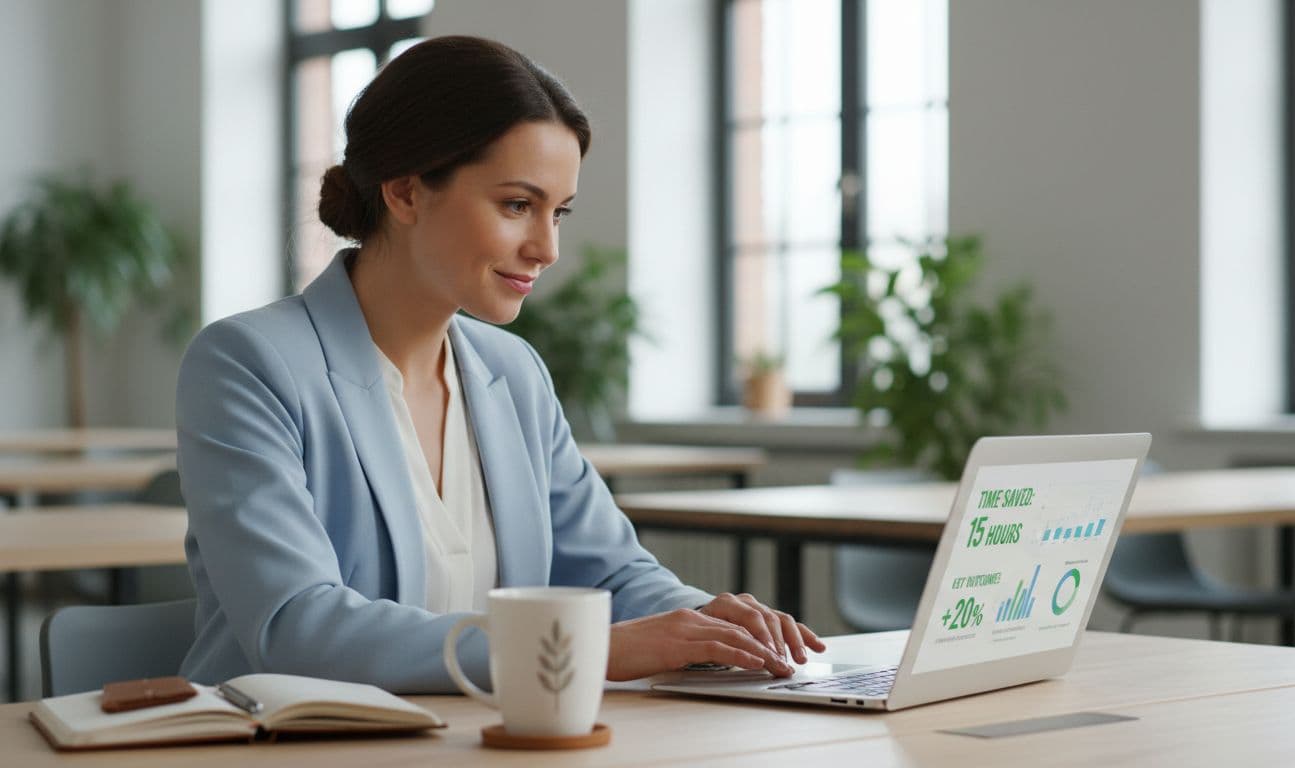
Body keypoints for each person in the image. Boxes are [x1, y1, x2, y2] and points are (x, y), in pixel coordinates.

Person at [175, 35, 823, 693]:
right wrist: (582, 648)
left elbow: (609, 573)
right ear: (405, 193)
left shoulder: (513, 373)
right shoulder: (248, 365)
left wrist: (703, 623)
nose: (546, 248)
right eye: (518, 205)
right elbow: (298, 628)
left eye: (559, 212)